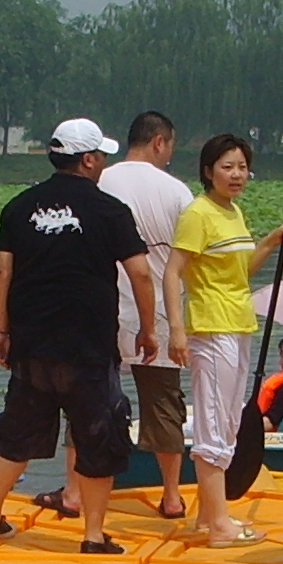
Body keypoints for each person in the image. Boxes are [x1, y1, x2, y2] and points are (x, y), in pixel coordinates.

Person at [0, 119, 156, 554]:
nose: (104, 163)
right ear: (88, 159)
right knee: (98, 433)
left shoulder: (19, 207)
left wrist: (2, 329)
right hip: (87, 345)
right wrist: (148, 329)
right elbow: (141, 274)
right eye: (101, 156)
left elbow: (3, 271)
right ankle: (92, 535)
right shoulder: (109, 210)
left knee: (17, 427)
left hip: (32, 342)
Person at [167, 133, 283, 546]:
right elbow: (173, 271)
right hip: (210, 326)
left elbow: (240, 274)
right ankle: (219, 526)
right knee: (214, 421)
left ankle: (209, 515)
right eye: (228, 166)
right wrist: (176, 329)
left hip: (238, 324)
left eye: (242, 167)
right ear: (208, 171)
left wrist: (270, 243)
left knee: (231, 420)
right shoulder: (198, 213)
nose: (236, 175)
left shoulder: (232, 212)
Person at [87, 109, 193, 520]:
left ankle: (77, 492)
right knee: (164, 403)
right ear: (160, 142)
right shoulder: (176, 191)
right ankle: (171, 495)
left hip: (102, 306)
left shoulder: (100, 180)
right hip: (161, 310)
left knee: (89, 400)